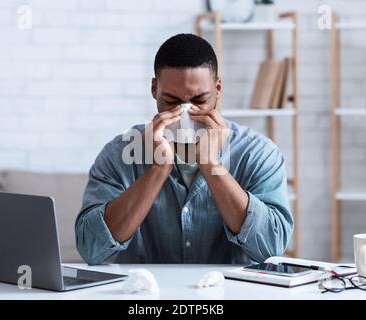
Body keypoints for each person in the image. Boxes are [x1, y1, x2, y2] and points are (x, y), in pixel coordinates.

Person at [75, 33, 293, 264]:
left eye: (199, 101)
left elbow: (271, 247)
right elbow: (91, 248)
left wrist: (212, 165)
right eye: (171, 102)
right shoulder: (120, 154)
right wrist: (159, 169)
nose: (185, 114)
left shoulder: (257, 153)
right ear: (154, 89)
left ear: (218, 89)